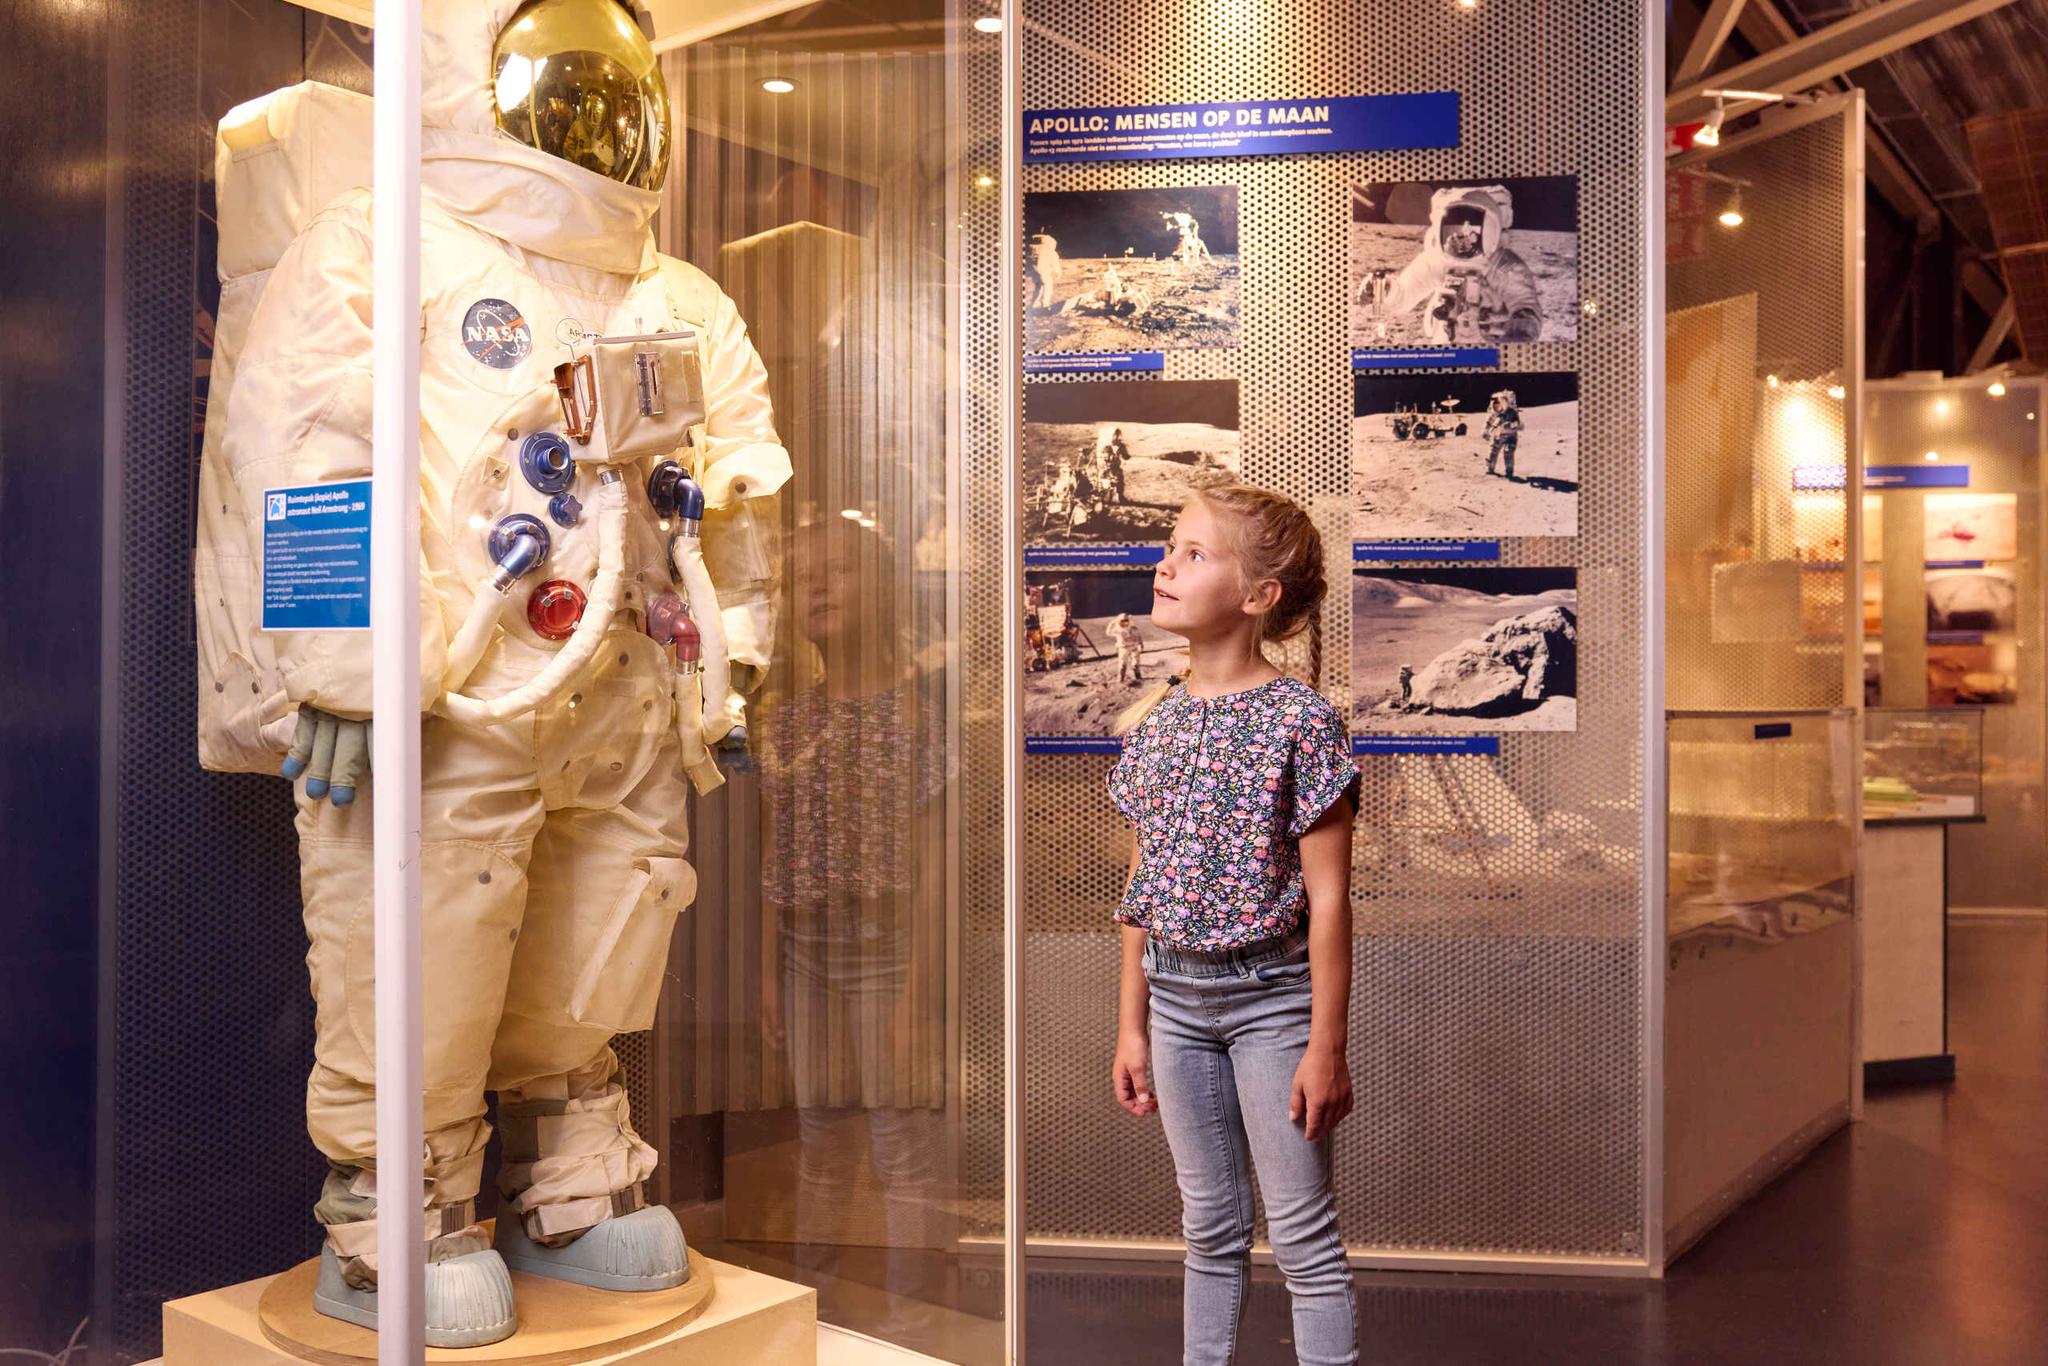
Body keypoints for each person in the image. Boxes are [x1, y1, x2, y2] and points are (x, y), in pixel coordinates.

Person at [196, 0, 790, 1340]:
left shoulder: (678, 293)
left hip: (626, 690)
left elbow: (738, 492)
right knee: (420, 930)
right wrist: (341, 669)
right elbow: (307, 456)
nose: (597, 110)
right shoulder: (383, 247)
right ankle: (392, 1197)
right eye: (562, 80)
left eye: (615, 84)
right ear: (471, 77)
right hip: (449, 688)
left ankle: (570, 1156)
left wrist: (730, 666)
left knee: (610, 913)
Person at [1107, 485, 1361, 1366]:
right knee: (1208, 1229)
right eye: (1170, 548)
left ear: (1260, 597)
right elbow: (1144, 882)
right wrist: (1131, 1024)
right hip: (1174, 1006)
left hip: (1272, 1005)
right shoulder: (1151, 725)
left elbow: (1329, 899)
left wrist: (1325, 1045)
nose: (1165, 565)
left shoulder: (1304, 723)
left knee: (1302, 1238)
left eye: (1194, 554)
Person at [1382, 185, 1543, 344]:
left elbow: (1525, 306)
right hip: (1447, 340)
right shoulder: (1438, 261)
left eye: (1468, 232)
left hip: (1494, 341)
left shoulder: (1502, 265)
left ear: (1491, 230)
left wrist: (1519, 334)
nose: (1460, 240)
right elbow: (1403, 297)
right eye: (1454, 232)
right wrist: (1385, 291)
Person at [1485, 388, 1522, 479]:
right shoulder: (1495, 413)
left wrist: (1509, 425)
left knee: (1508, 452)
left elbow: (1518, 424)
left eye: (1499, 404)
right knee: (1493, 452)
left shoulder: (1512, 413)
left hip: (1510, 437)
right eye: (1496, 404)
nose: (1497, 406)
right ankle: (1490, 469)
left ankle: (1509, 471)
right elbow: (1489, 422)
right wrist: (1486, 431)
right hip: (1497, 436)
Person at [1093, 424, 1130, 505]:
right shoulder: (1104, 445)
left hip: (1115, 468)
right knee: (1106, 483)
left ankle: (1119, 497)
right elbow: (1103, 458)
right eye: (1115, 435)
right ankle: (1105, 499)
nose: (1117, 437)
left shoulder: (1119, 445)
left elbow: (1126, 456)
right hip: (1105, 468)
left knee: (1119, 482)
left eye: (1117, 435)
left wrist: (1124, 452)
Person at [1109, 610, 1145, 685]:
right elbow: (1109, 633)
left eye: (1126, 621)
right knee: (1122, 664)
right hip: (1123, 648)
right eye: (1122, 621)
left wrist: (1141, 645)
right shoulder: (1117, 630)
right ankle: (1120, 679)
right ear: (1119, 622)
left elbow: (1139, 637)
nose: (1124, 623)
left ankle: (1138, 677)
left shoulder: (1134, 629)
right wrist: (1112, 623)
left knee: (1135, 664)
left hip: (1134, 647)